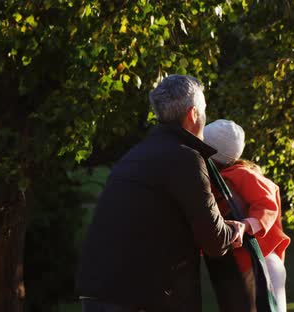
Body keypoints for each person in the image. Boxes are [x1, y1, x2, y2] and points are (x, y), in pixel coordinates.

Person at [75, 75, 246, 311]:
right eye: (205, 110)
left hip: (98, 292)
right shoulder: (186, 158)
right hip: (144, 297)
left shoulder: (136, 154)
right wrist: (236, 229)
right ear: (194, 114)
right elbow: (214, 240)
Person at [203, 119, 291, 312]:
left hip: (263, 264)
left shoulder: (242, 174)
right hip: (245, 266)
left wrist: (246, 225)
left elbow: (267, 205)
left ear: (213, 156)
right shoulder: (214, 180)